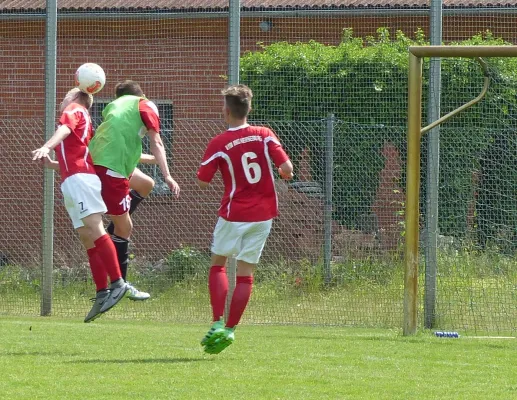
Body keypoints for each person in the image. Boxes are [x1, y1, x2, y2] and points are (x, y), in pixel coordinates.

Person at [197, 84, 293, 354]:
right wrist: (283, 174)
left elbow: (202, 181)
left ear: (227, 112)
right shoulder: (264, 134)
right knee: (246, 274)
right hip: (264, 214)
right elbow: (287, 169)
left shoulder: (219, 142)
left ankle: (216, 322)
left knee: (218, 264)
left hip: (234, 212)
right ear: (248, 109)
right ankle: (230, 330)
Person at [31, 88, 128, 323]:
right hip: (72, 179)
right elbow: (76, 154)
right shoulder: (82, 115)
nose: (63, 99)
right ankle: (102, 291)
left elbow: (64, 130)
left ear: (77, 98)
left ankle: (117, 283)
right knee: (87, 237)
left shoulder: (75, 109)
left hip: (80, 180)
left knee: (96, 229)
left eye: (66, 95)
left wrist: (47, 146)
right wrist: (54, 163)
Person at [89, 80, 180, 301]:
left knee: (146, 184)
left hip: (102, 160)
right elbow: (156, 141)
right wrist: (167, 175)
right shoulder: (144, 104)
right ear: (141, 95)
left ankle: (116, 227)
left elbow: (123, 145)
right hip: (113, 168)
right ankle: (120, 284)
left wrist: (155, 162)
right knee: (125, 228)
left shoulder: (113, 108)